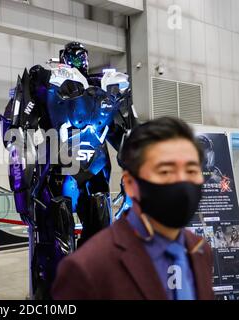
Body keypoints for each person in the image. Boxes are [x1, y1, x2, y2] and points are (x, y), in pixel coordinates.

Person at [0, 41, 138, 299]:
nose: (77, 61)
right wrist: (21, 188)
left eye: (81, 57)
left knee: (99, 246)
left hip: (94, 174)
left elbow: (130, 138)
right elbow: (16, 131)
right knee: (54, 249)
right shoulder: (44, 78)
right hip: (55, 173)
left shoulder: (107, 88)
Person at [52, 117, 214, 300]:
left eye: (191, 171)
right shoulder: (86, 268)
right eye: (165, 171)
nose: (181, 181)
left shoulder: (201, 251)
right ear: (129, 183)